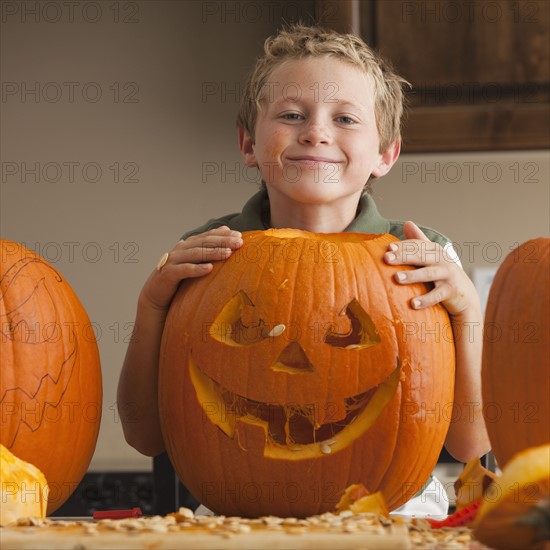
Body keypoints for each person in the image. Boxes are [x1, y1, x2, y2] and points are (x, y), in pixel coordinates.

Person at [117, 23, 490, 516]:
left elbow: (469, 444)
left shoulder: (422, 256)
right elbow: (144, 435)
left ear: (386, 153)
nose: (316, 132)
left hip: (397, 518)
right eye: (292, 115)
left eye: (345, 119)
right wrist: (152, 305)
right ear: (249, 144)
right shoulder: (207, 252)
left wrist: (467, 314)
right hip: (239, 522)